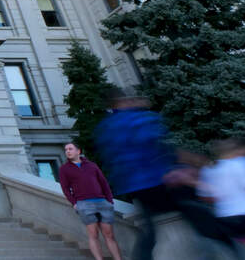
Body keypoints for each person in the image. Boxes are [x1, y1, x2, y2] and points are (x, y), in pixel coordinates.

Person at [95, 89, 236, 260]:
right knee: (195, 210)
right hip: (159, 179)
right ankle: (231, 247)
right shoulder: (138, 119)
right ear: (123, 101)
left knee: (150, 231)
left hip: (135, 186)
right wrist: (181, 167)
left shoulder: (106, 127)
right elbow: (157, 145)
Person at [200, 138, 245, 259]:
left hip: (228, 219)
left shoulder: (208, 169)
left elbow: (206, 197)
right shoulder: (244, 162)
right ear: (241, 149)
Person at [58, 142, 123, 260]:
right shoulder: (64, 169)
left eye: (70, 149)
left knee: (109, 234)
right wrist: (74, 203)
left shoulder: (92, 165)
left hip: (102, 202)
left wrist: (110, 201)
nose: (67, 151)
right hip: (84, 204)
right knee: (93, 234)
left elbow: (104, 183)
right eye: (66, 150)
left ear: (78, 151)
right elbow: (65, 188)